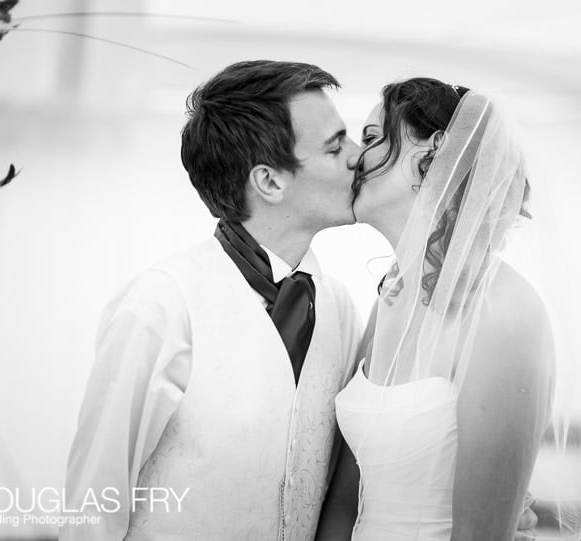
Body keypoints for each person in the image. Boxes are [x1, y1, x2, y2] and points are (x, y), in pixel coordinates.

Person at [61, 60, 365, 540]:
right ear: (269, 181)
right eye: (335, 146)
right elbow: (93, 505)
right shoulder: (160, 306)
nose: (358, 156)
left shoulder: (340, 309)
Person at [317, 78, 581, 540]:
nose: (355, 156)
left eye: (372, 138)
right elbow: (346, 497)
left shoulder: (506, 316)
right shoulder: (389, 298)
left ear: (431, 156)